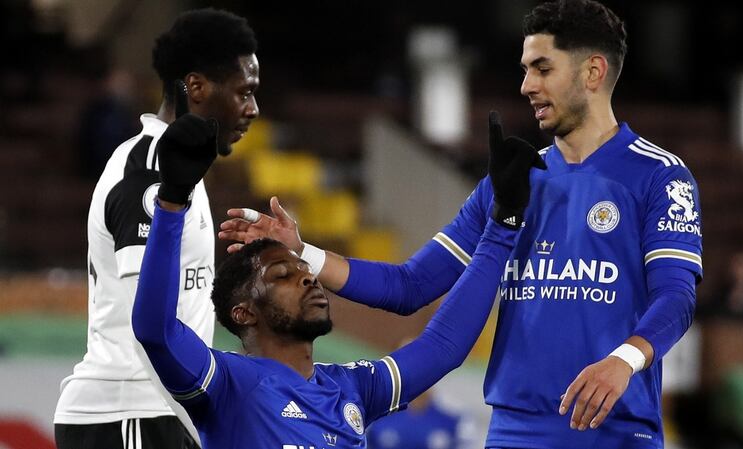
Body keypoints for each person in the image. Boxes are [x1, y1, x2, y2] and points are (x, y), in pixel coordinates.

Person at [219, 1, 703, 447]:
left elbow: (676, 297)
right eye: (525, 70)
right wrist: (303, 252)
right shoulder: (510, 183)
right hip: (514, 431)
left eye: (542, 68)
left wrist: (626, 358)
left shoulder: (658, 176)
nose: (526, 85)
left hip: (613, 430)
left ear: (593, 71)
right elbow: (411, 285)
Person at [130, 103, 534, 448]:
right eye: (282, 275)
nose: (308, 279)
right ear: (243, 313)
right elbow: (155, 330)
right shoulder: (230, 384)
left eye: (306, 271)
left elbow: (443, 347)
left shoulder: (352, 388)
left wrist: (503, 227)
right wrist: (172, 201)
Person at [54, 8, 260, 449]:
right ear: (198, 87)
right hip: (131, 412)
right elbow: (145, 324)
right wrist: (200, 422)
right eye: (245, 92)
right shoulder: (150, 173)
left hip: (158, 411)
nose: (253, 110)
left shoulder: (183, 171)